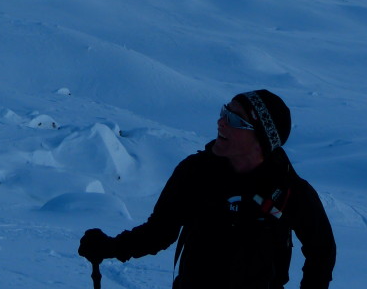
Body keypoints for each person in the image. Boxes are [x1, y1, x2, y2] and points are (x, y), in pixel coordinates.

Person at [78, 90, 336, 288]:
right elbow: (159, 232)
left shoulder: (289, 190)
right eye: (224, 111)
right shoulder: (195, 173)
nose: (220, 122)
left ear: (262, 139)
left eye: (234, 119)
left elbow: (322, 251)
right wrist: (111, 247)